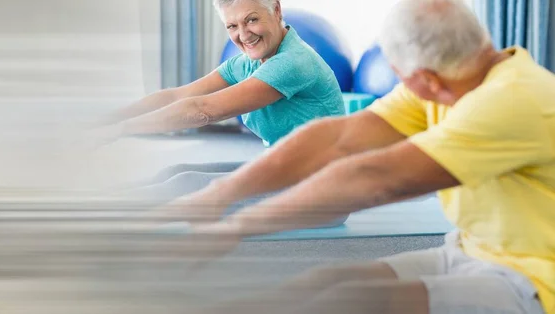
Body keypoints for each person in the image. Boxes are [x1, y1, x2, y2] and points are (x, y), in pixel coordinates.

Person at [151, 0, 555, 313]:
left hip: (536, 279)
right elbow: (337, 138)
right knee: (323, 282)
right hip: (471, 248)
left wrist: (235, 225)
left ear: (425, 78)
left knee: (357, 300)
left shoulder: (511, 102)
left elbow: (376, 177)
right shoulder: (456, 72)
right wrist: (220, 196)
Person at [100, 0, 345, 189]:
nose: (244, 35)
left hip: (320, 188)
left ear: (277, 10)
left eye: (251, 20)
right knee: (176, 171)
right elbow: (177, 96)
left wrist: (121, 130)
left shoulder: (292, 62)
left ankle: (103, 216)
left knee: (186, 184)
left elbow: (202, 110)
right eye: (232, 26)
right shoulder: (247, 63)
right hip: (282, 168)